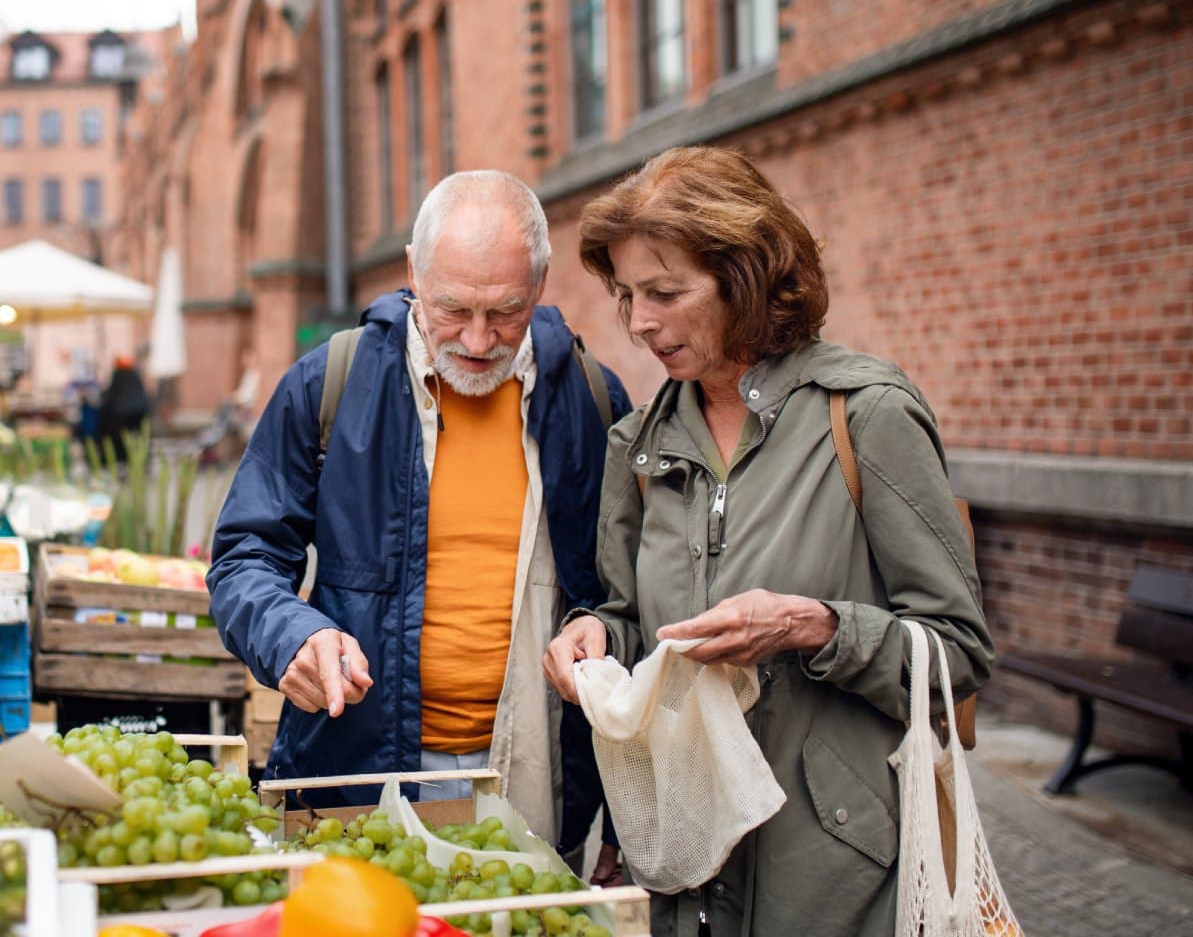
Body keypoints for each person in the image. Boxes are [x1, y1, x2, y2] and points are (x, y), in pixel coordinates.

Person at [542, 146, 995, 935]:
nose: (640, 321)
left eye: (666, 291)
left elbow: (955, 656)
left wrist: (811, 626)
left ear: (745, 278)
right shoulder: (636, 448)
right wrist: (594, 638)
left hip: (836, 874)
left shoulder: (865, 416)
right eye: (626, 295)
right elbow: (631, 617)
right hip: (689, 871)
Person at [206, 170, 632, 852]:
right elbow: (244, 559)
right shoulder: (327, 384)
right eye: (451, 309)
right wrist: (289, 634)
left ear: (541, 283)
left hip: (538, 780)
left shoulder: (592, 399)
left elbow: (625, 591)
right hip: (357, 774)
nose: (477, 338)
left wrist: (598, 625)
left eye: (505, 312)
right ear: (413, 270)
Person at [97, 354, 151, 462]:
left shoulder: (118, 376)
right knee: (137, 444)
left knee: (119, 444)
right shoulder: (135, 377)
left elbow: (109, 399)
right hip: (139, 416)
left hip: (119, 418)